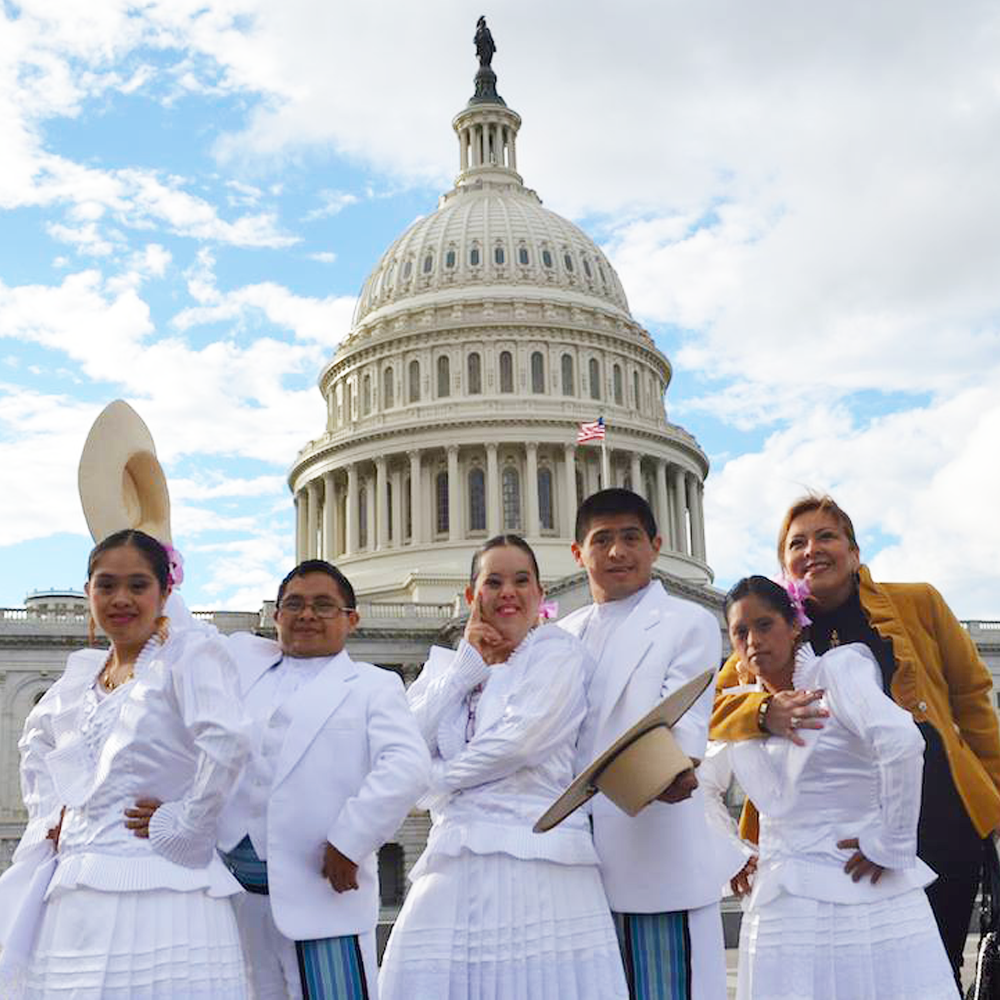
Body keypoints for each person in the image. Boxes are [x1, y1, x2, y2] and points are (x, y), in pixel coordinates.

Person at [711, 494, 1000, 983]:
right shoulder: (772, 632)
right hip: (836, 835)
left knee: (930, 967)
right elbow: (714, 710)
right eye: (797, 542)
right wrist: (765, 708)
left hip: (939, 813)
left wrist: (993, 797)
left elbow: (972, 699)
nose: (812, 550)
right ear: (783, 563)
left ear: (854, 549)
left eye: (827, 536)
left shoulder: (917, 602)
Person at [0, 529, 250, 998]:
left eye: (137, 585)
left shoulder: (189, 656)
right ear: (89, 591)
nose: (121, 598)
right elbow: (34, 744)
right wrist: (52, 815)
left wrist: (188, 824)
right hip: (76, 889)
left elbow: (229, 740)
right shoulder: (82, 678)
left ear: (164, 592)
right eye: (106, 584)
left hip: (160, 885)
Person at [379, 535, 628, 1000]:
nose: (508, 592)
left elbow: (520, 741)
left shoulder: (558, 654)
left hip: (540, 856)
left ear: (540, 593)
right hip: (455, 858)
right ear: (473, 596)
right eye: (493, 582)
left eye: (521, 580)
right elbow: (402, 746)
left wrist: (433, 782)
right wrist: (464, 670)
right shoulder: (447, 671)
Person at [716, 575, 958, 999]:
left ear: (795, 625)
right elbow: (699, 783)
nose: (753, 640)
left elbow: (901, 742)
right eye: (740, 632)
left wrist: (892, 842)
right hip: (779, 906)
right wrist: (730, 854)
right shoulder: (740, 710)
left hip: (860, 890)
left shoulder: (839, 670)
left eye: (764, 625)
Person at [216, 559, 431, 1000]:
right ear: (275, 617)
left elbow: (406, 766)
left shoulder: (373, 685)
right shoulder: (246, 678)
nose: (307, 615)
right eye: (293, 604)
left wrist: (350, 840)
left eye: (323, 605)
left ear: (351, 619)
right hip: (239, 890)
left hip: (322, 885)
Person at [560, 488, 731, 1000]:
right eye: (603, 540)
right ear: (577, 553)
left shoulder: (689, 622)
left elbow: (681, 719)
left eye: (631, 538)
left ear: (656, 545)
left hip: (651, 848)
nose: (617, 552)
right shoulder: (559, 637)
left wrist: (671, 770)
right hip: (571, 861)